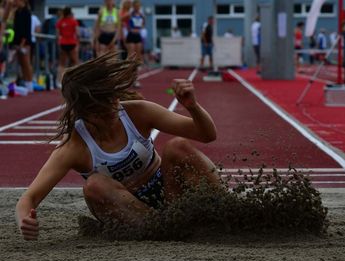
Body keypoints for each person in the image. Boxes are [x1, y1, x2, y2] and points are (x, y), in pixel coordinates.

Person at [15, 51, 219, 241]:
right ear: (85, 113)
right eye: (103, 111)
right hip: (129, 211)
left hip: (168, 195)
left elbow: (207, 135)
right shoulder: (74, 146)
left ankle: (227, 210)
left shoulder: (137, 112)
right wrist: (25, 220)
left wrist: (192, 107)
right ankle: (164, 230)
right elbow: (29, 198)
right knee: (94, 185)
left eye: (113, 101)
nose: (114, 111)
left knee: (177, 146)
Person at [10, 0, 33, 92]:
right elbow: (15, 28)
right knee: (21, 63)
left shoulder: (26, 12)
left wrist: (22, 44)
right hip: (17, 41)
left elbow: (26, 29)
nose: (15, 2)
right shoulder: (16, 12)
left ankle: (30, 84)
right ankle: (25, 82)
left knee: (26, 63)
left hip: (25, 42)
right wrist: (15, 44)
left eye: (16, 0)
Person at [55, 6, 79, 88]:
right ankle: (76, 79)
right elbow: (77, 33)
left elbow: (58, 34)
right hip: (72, 43)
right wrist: (78, 44)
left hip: (63, 43)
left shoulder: (60, 22)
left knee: (62, 63)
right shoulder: (73, 21)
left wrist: (59, 42)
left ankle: (59, 81)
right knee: (75, 62)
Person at [126, 0, 145, 81]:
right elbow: (126, 24)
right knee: (131, 57)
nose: (137, 7)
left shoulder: (141, 15)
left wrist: (140, 28)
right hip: (131, 36)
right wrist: (131, 29)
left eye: (138, 6)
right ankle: (128, 75)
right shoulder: (130, 14)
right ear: (133, 6)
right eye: (136, 6)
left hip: (138, 36)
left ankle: (135, 77)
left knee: (137, 57)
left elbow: (143, 24)